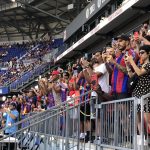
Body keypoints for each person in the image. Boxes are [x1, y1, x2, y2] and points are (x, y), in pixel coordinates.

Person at [125, 45, 150, 134]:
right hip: (137, 94)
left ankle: (148, 141)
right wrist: (128, 66)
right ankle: (142, 141)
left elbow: (139, 73)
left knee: (148, 121)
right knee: (138, 120)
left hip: (145, 94)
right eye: (139, 53)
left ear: (149, 53)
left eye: (142, 52)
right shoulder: (140, 65)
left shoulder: (148, 64)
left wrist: (132, 61)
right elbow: (132, 76)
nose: (140, 54)